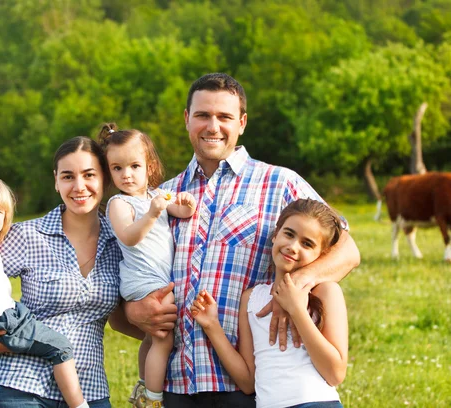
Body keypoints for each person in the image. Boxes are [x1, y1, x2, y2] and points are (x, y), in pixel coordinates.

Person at [124, 73, 360, 407]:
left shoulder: (279, 183)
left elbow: (347, 250)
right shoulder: (162, 197)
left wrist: (295, 288)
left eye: (225, 117)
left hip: (247, 383)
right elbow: (133, 269)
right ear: (186, 119)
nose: (213, 126)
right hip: (177, 380)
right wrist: (133, 310)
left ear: (242, 122)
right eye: (203, 115)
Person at [0, 137, 141, 408]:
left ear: (104, 178)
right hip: (18, 387)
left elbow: (121, 318)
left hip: (87, 390)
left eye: (89, 175)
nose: (79, 186)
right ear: (56, 181)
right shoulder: (27, 235)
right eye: (68, 176)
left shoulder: (122, 243)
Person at [0, 177, 88, 408]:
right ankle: (79, 405)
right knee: (61, 347)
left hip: (8, 314)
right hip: (0, 319)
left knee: (49, 341)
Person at [191, 199, 348, 408]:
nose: (293, 247)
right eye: (289, 234)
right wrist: (212, 326)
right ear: (276, 235)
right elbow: (248, 382)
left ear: (321, 254)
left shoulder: (326, 292)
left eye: (307, 243)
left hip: (316, 402)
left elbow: (335, 373)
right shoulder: (252, 298)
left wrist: (296, 308)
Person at [98, 123, 196, 408]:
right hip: (143, 279)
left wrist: (186, 204)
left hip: (156, 276)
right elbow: (128, 237)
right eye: (117, 168)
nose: (126, 174)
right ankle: (154, 399)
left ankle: (144, 381)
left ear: (149, 166)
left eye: (134, 166)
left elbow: (180, 209)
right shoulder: (119, 203)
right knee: (164, 338)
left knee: (152, 340)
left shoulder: (157, 195)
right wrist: (153, 213)